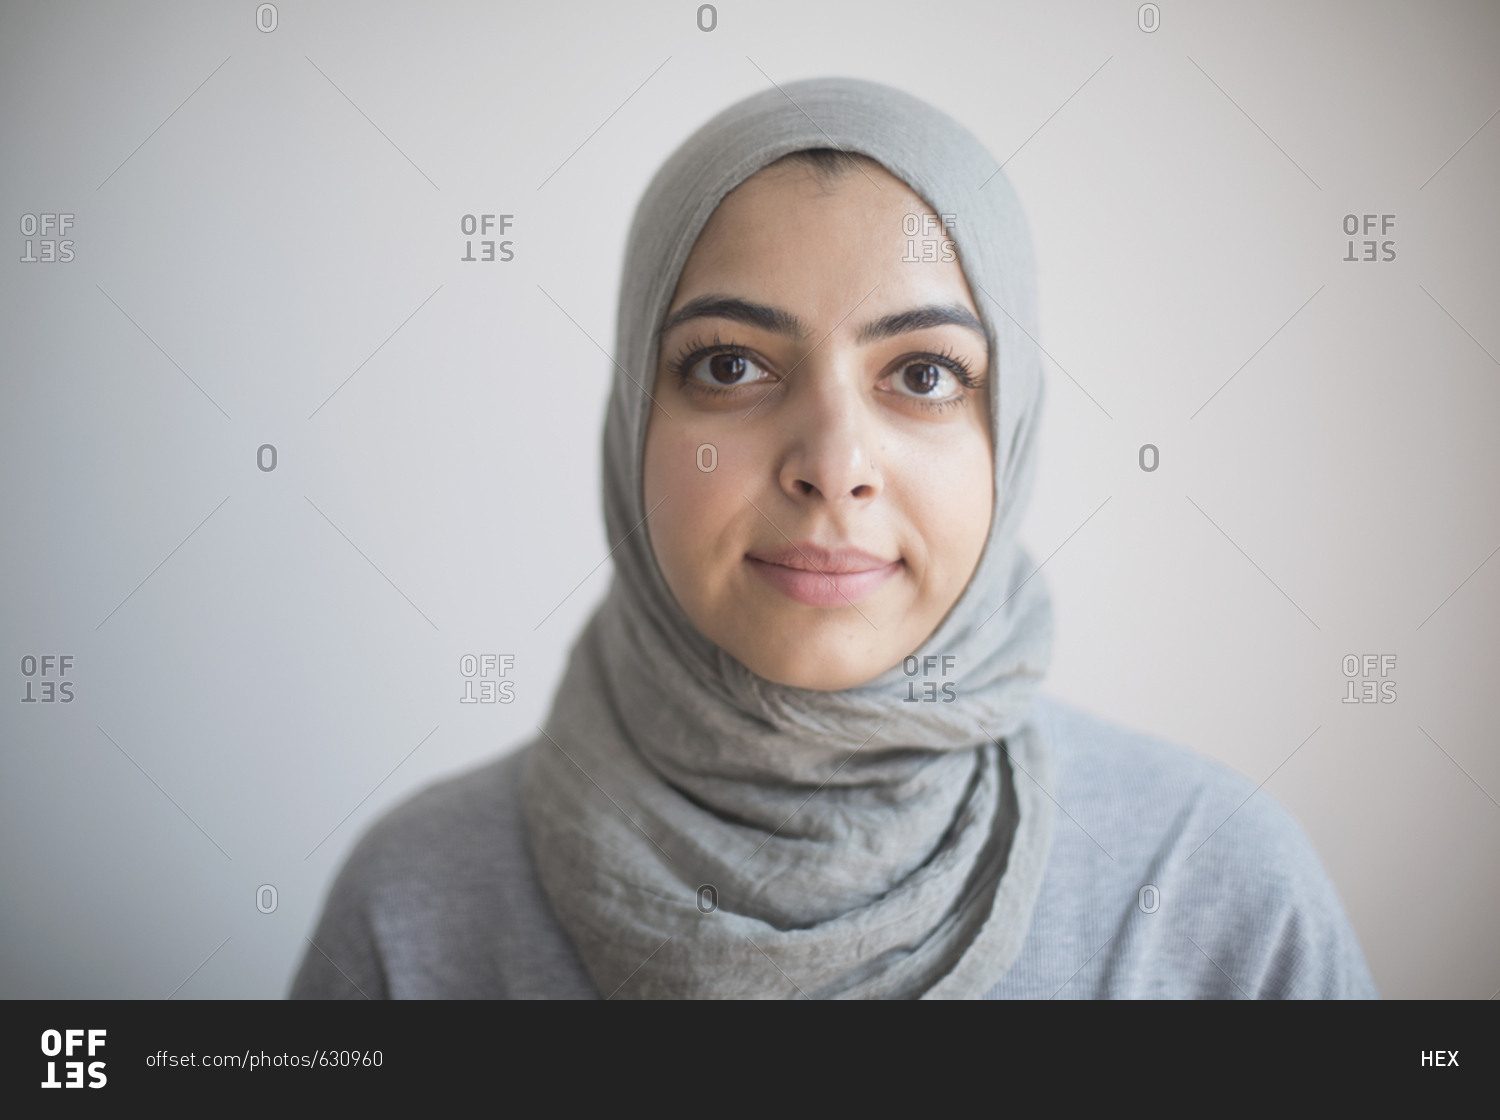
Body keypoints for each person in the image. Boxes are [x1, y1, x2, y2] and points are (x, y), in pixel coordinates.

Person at [290, 77, 1377, 999]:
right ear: (634, 414)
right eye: (729, 365)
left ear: (1015, 431)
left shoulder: (1213, 894)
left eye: (923, 375)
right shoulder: (417, 909)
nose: (833, 462)